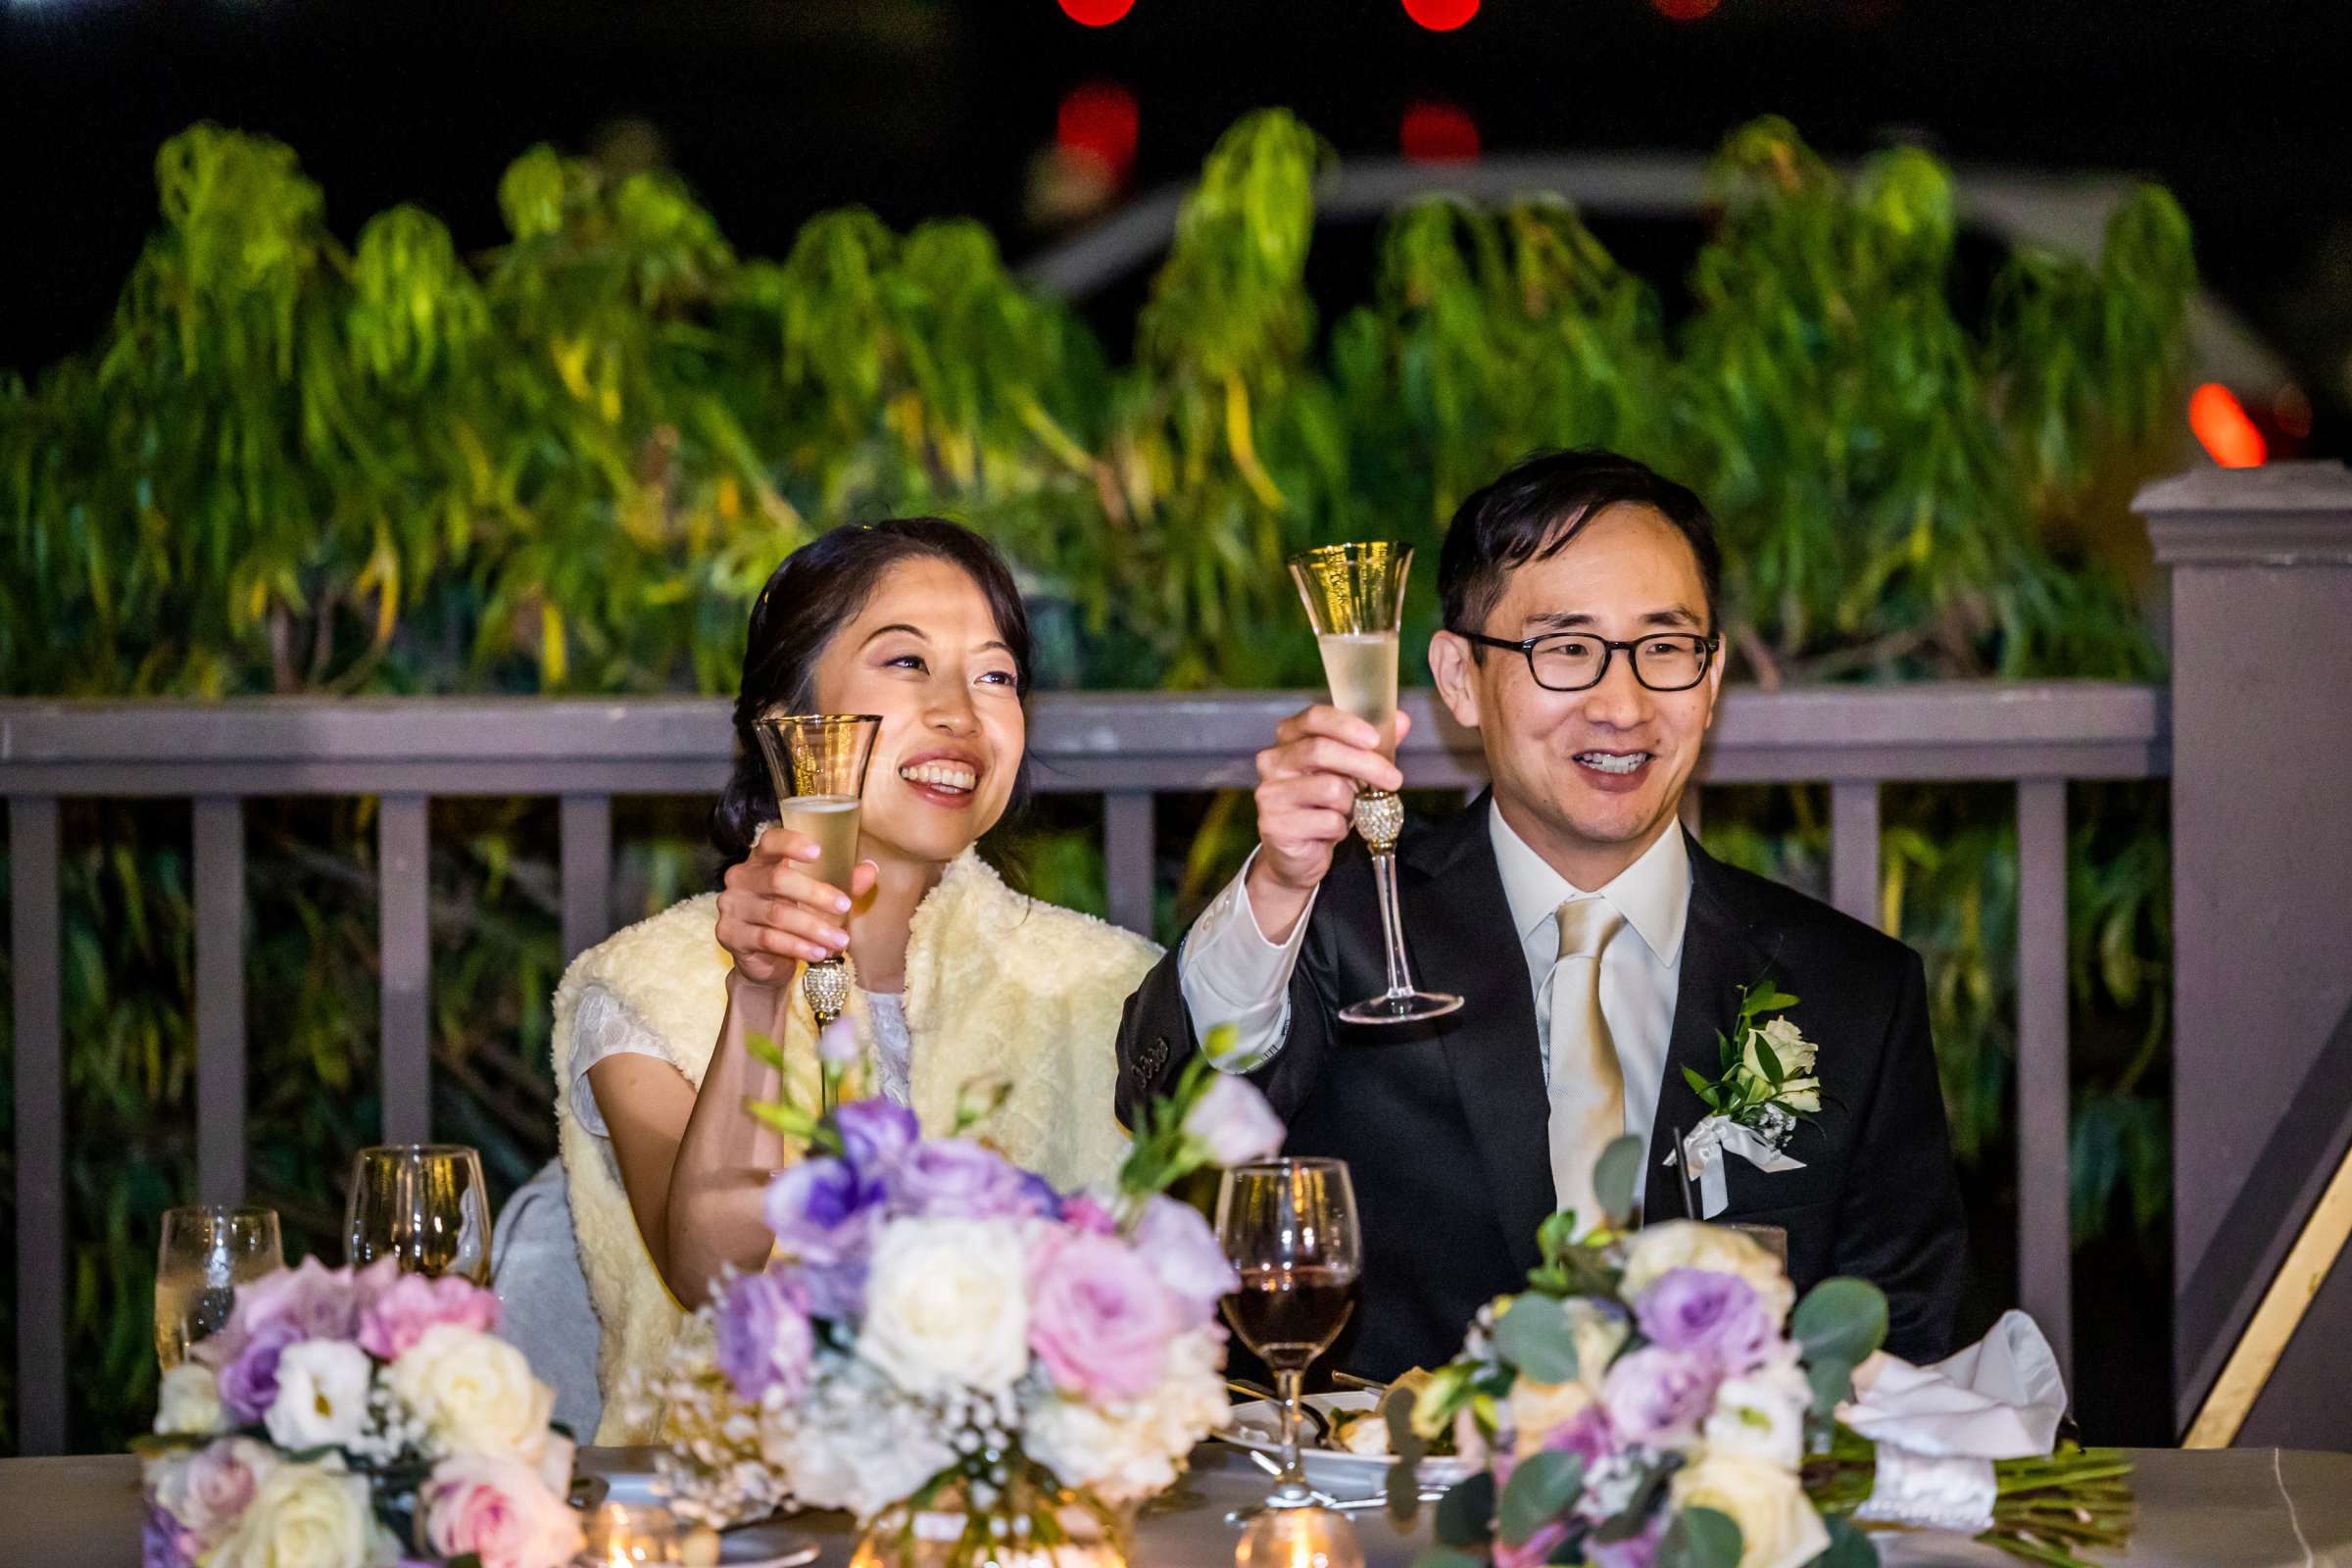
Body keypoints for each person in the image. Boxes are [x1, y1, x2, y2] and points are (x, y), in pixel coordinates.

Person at [1116, 449, 1967, 1378]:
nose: (1622, 703)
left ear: (1712, 676)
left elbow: (1903, 1343)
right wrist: (1281, 885)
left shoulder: (1855, 991)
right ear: (1458, 679)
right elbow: (1174, 1112)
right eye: (1566, 650)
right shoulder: (1339, 932)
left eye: (1666, 648)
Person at [554, 517, 1159, 1444]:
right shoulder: (641, 990)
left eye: (995, 674)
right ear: (785, 717)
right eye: (907, 663)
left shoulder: (1110, 986)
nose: (961, 708)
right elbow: (716, 1277)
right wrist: (756, 991)